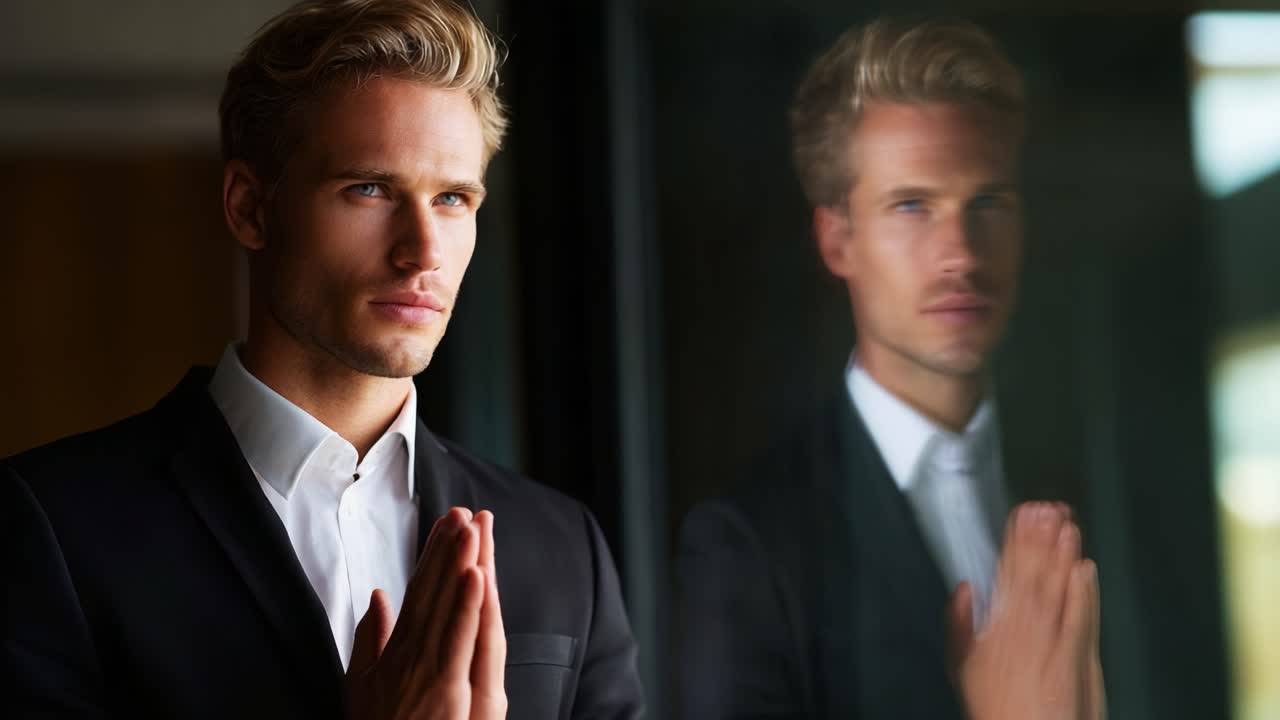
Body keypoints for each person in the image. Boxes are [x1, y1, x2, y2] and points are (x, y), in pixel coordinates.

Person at [2, 1, 643, 718]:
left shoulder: (562, 547)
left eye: (454, 198)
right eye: (368, 189)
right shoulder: (48, 529)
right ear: (250, 208)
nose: (423, 251)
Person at [676, 19, 1103, 719]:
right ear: (837, 239)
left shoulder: (1097, 481)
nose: (960, 253)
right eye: (912, 206)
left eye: (987, 203)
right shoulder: (750, 539)